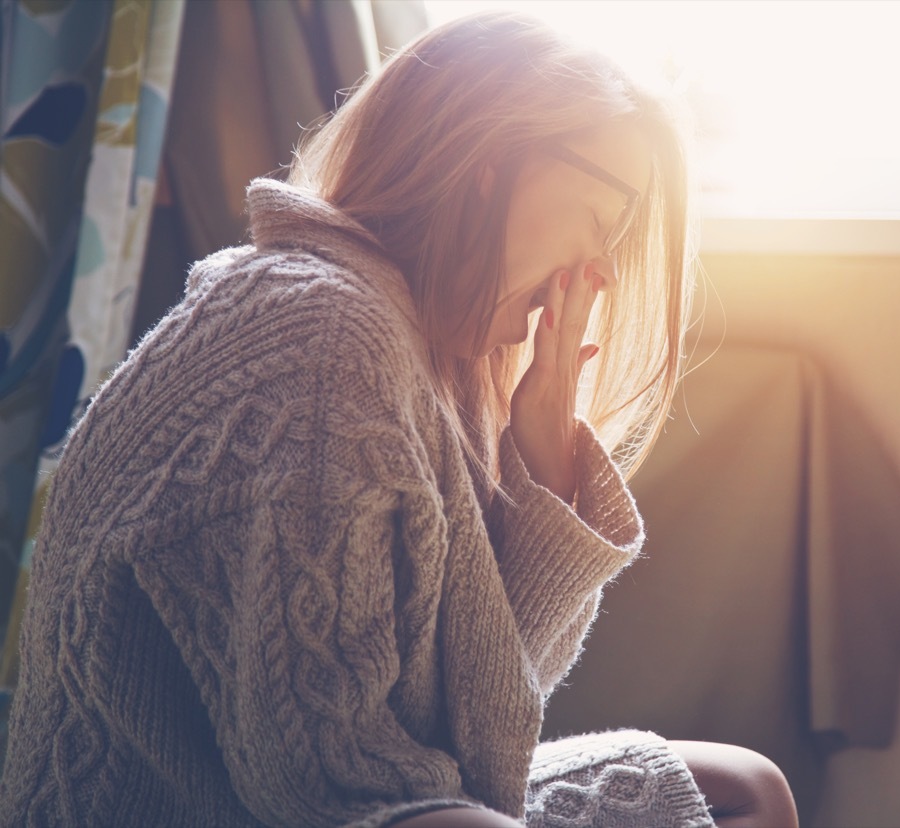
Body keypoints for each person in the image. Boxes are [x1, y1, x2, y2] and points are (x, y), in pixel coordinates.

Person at [0, 11, 799, 828]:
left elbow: (483, 734)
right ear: (492, 160)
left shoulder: (422, 347)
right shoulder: (315, 336)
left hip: (347, 793)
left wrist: (546, 474)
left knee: (742, 791)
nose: (597, 271)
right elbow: (330, 790)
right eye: (606, 220)